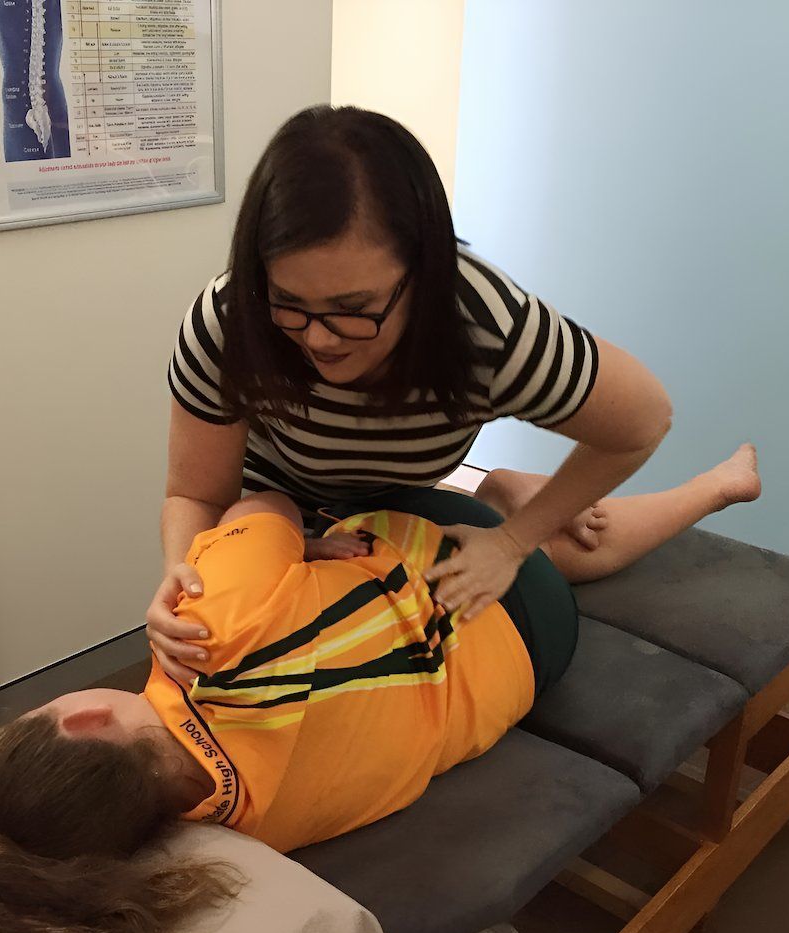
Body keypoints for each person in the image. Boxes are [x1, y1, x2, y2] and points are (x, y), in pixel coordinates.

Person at [0, 488, 588, 933]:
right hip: (486, 581)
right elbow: (262, 501)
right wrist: (277, 546)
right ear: (80, 721)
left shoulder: (245, 825)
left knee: (553, 543)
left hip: (538, 663)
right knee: (334, 499)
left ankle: (658, 498)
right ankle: (523, 502)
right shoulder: (206, 630)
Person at [149, 103, 682, 689]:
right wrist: (185, 575)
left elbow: (645, 419)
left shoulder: (489, 328)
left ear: (425, 273)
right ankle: (501, 491)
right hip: (276, 517)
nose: (319, 338)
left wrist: (510, 542)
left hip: (405, 505)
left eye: (354, 310)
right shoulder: (231, 321)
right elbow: (196, 494)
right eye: (290, 303)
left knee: (566, 547)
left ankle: (715, 484)